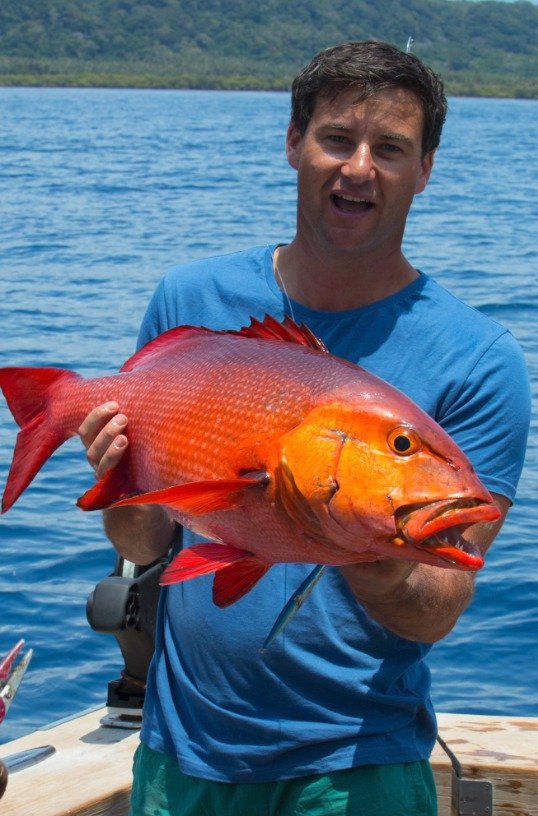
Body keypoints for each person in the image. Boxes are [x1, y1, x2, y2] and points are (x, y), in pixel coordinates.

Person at [78, 41, 530, 816]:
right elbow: (145, 545)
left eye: (391, 148)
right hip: (183, 752)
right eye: (336, 139)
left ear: (425, 170)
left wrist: (377, 554)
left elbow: (439, 607)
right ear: (294, 143)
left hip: (357, 765)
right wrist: (120, 490)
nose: (359, 168)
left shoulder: (479, 361)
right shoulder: (189, 299)